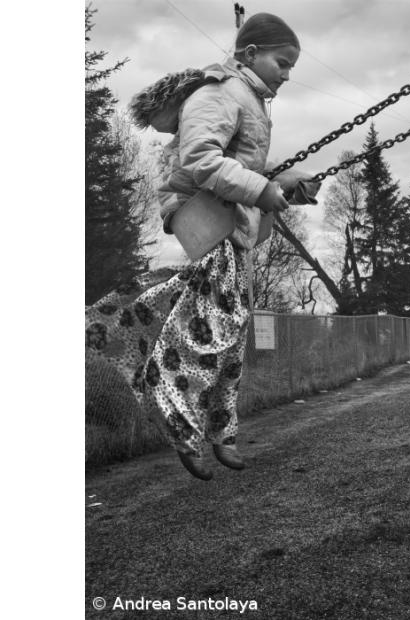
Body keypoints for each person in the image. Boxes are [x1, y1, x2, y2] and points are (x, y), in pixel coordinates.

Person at [84, 13, 316, 481]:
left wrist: (283, 180)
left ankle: (220, 432)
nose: (287, 74)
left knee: (230, 334)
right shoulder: (218, 94)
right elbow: (201, 160)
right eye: (282, 62)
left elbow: (241, 161)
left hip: (229, 222)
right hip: (202, 214)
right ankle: (178, 419)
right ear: (250, 54)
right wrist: (261, 190)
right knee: (205, 331)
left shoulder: (250, 99)